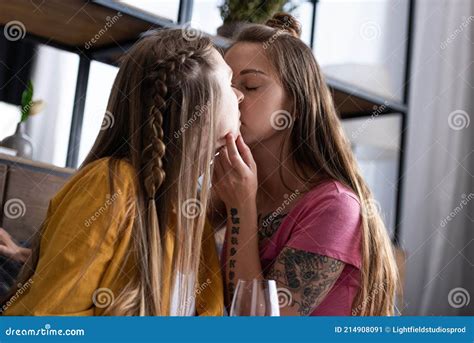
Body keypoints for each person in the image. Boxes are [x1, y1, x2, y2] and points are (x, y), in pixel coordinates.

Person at [1, 28, 244, 316]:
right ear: (199, 108)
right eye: (230, 83)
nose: (240, 95)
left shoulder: (190, 207)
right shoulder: (110, 185)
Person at [212, 13, 398, 316]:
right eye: (226, 85)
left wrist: (240, 208)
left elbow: (262, 328)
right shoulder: (235, 183)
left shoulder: (335, 207)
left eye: (250, 85)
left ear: (296, 103)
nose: (233, 96)